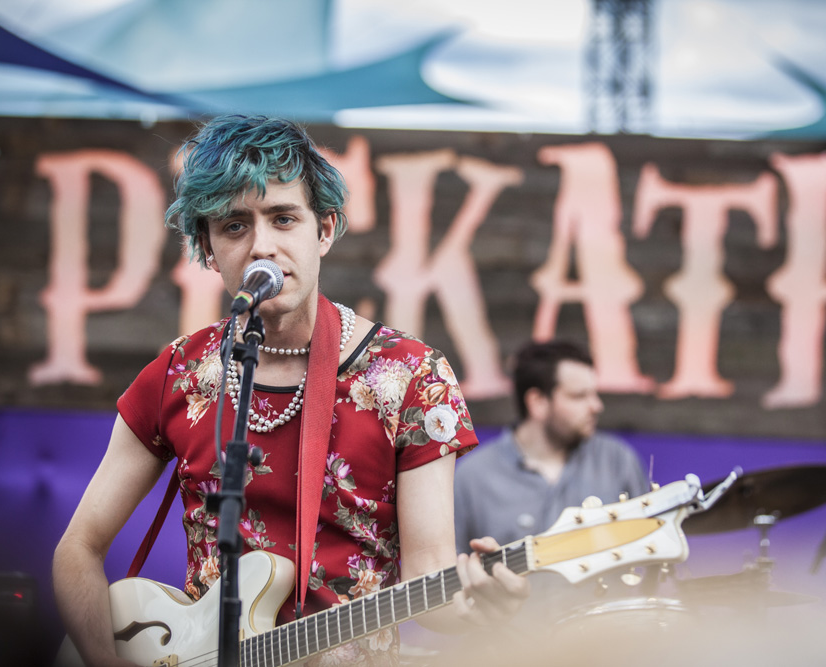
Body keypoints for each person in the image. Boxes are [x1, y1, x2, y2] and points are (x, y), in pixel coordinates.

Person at [52, 115, 528, 667]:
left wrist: (482, 606)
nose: (262, 247)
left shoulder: (410, 376)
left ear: (324, 230)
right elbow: (77, 551)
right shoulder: (179, 372)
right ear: (207, 249)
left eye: (283, 219)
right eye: (234, 226)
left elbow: (430, 582)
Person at [453, 340, 650, 624]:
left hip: (611, 648)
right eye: (579, 396)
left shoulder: (618, 460)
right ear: (538, 402)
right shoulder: (473, 476)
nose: (597, 405)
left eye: (594, 393)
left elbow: (647, 561)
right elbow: (452, 584)